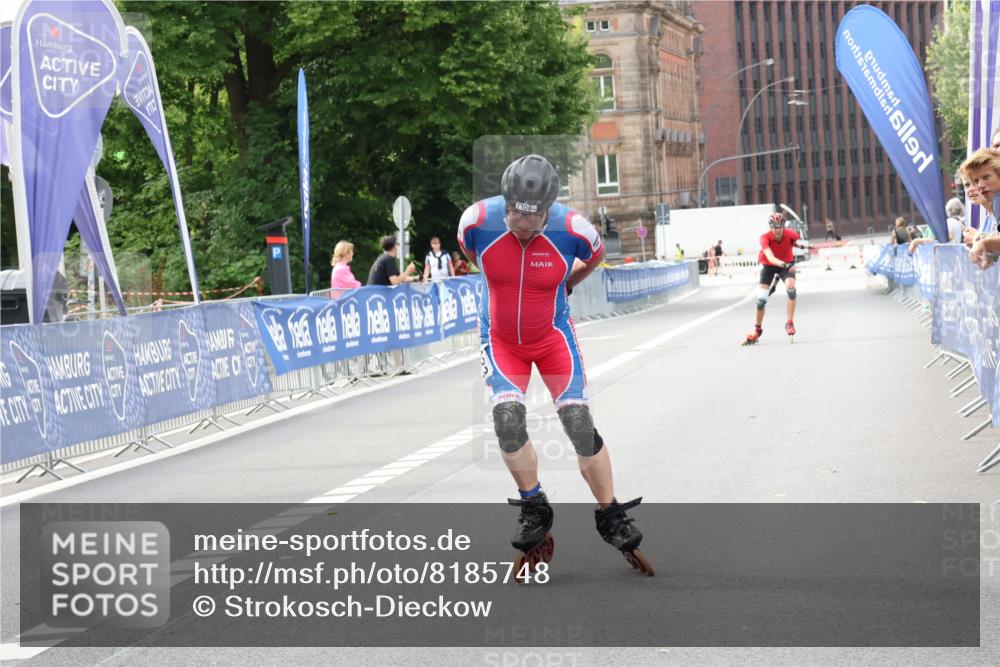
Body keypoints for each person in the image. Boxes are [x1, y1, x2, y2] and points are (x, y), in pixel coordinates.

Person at [456, 154, 651, 573]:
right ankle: (534, 505)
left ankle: (610, 513)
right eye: (513, 214)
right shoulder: (475, 222)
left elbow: (595, 258)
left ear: (548, 210)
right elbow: (478, 259)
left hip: (552, 339)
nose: (520, 225)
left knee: (579, 425)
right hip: (502, 341)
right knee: (507, 420)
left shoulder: (576, 231)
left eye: (531, 218)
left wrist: (566, 283)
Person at [743, 212, 809, 345]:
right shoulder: (764, 238)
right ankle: (757, 330)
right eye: (773, 227)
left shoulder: (792, 234)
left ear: (783, 226)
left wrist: (790, 258)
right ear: (770, 227)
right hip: (770, 265)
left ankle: (789, 323)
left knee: (791, 289)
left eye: (779, 227)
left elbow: (792, 243)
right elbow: (770, 257)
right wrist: (784, 264)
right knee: (761, 300)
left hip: (786, 264)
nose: (776, 230)